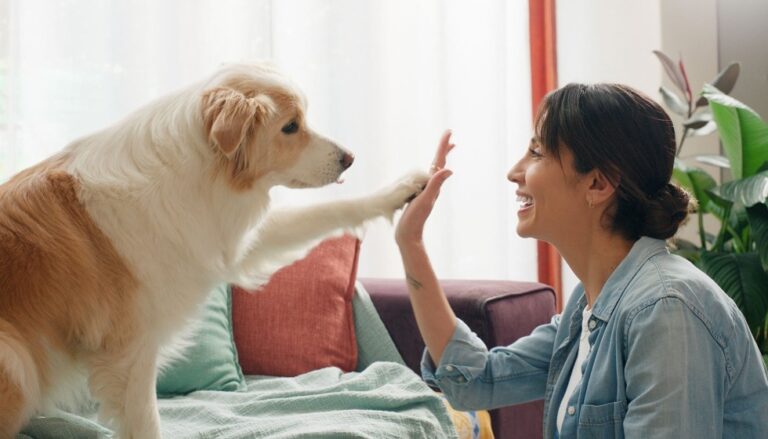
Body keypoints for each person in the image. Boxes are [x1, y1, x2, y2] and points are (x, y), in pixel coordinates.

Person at [395, 83, 768, 438]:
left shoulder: (666, 309)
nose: (514, 172)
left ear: (598, 185)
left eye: (537, 152)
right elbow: (478, 380)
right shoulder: (589, 307)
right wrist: (411, 242)